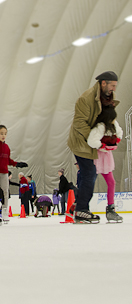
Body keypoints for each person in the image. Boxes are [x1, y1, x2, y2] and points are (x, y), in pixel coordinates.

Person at [67, 71, 120, 224]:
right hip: (81, 142)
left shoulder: (108, 96)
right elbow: (79, 123)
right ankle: (82, 210)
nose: (114, 89)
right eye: (112, 86)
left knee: (87, 174)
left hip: (93, 141)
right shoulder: (86, 99)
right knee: (89, 173)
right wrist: (96, 137)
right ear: (103, 83)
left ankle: (78, 206)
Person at [87, 105, 123, 223]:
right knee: (90, 182)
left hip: (106, 156)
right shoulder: (100, 127)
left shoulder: (113, 125)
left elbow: (120, 133)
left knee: (111, 182)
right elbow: (92, 140)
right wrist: (101, 146)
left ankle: (111, 208)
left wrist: (116, 141)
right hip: (97, 156)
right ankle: (80, 206)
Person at [0, 125, 27, 223]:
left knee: (5, 192)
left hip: (4, 172)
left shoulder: (6, 147)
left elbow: (8, 160)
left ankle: (4, 212)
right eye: (1, 133)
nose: (3, 135)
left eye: (5, 134)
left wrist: (17, 164)